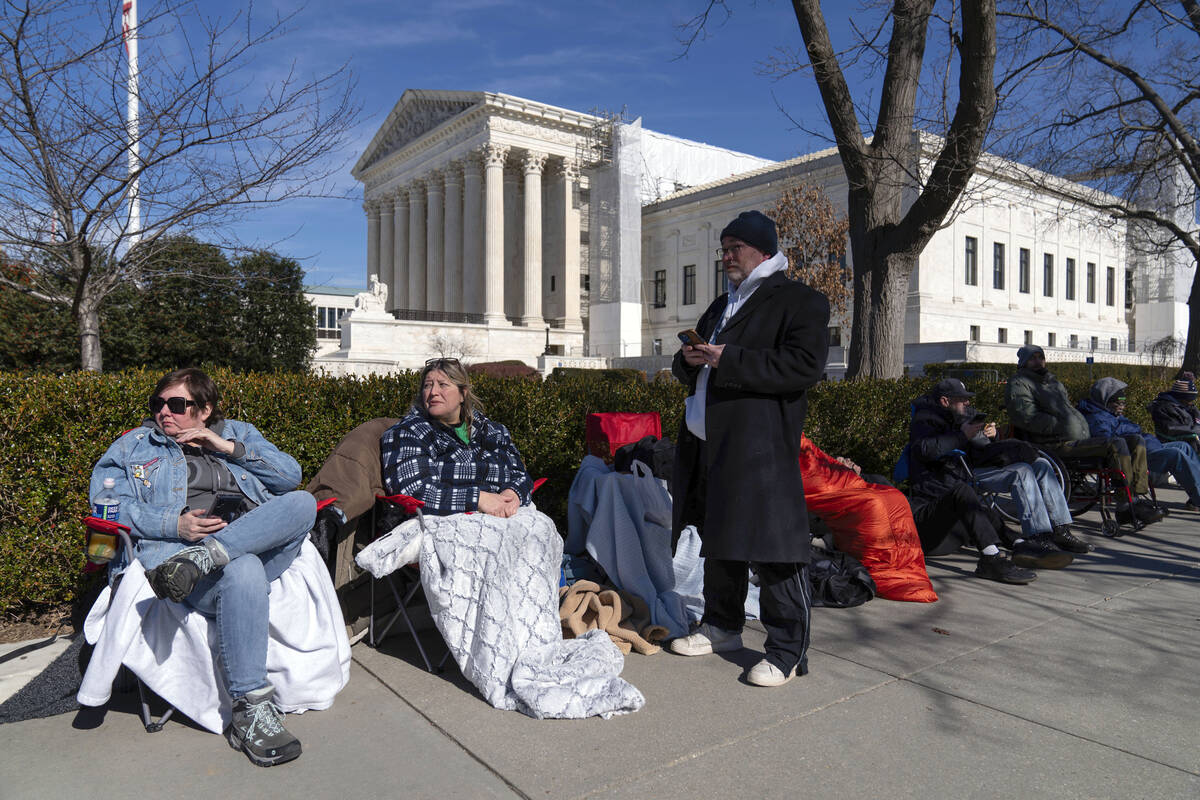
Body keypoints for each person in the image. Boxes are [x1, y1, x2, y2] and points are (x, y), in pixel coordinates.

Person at [90, 368, 315, 767]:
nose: (164, 413)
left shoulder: (239, 433)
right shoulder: (134, 448)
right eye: (157, 404)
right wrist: (174, 524)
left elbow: (289, 477)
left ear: (205, 409)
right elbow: (108, 507)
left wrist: (226, 447)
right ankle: (250, 710)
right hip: (181, 565)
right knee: (242, 569)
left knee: (303, 503)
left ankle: (213, 552)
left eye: (177, 405)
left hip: (250, 545)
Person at [669, 209, 829, 688]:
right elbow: (691, 368)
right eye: (724, 248)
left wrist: (727, 359)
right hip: (709, 443)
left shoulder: (800, 300)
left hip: (760, 446)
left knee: (775, 547)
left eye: (734, 247)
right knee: (720, 540)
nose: (726, 256)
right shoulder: (722, 305)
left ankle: (787, 649)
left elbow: (803, 366)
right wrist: (689, 358)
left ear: (761, 249)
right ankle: (722, 625)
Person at [908, 379, 1062, 585]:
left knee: (982, 510)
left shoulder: (957, 418)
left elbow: (977, 451)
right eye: (962, 400)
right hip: (932, 525)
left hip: (953, 526)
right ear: (945, 401)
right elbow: (925, 450)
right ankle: (990, 559)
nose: (967, 404)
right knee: (964, 494)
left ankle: (1019, 544)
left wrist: (990, 434)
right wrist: (962, 435)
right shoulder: (924, 419)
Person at [1005, 344, 1161, 526]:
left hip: (1075, 439)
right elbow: (1025, 416)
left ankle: (1136, 496)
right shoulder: (1018, 383)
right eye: (1033, 358)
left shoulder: (1052, 382)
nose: (1038, 361)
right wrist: (1062, 425)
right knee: (1115, 445)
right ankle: (1125, 504)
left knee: (1136, 440)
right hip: (1053, 443)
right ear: (1024, 362)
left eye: (1041, 357)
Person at [380, 358, 533, 516]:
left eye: (443, 384)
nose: (433, 392)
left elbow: (520, 474)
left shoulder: (493, 431)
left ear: (463, 394)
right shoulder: (409, 432)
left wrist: (512, 493)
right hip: (443, 521)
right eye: (427, 385)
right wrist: (478, 499)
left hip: (507, 511)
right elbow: (414, 492)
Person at [1079, 377, 1200, 513]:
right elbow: (1107, 442)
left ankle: (1196, 496)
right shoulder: (1097, 418)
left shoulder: (1111, 414)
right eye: (1120, 402)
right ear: (1107, 401)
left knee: (1184, 447)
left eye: (1124, 402)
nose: (1123, 406)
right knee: (1177, 455)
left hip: (1151, 446)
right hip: (1138, 454)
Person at [1148, 371, 1200, 447]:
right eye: (1189, 400)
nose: (1191, 403)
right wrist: (1196, 429)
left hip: (1191, 439)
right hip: (1180, 443)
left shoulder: (1187, 407)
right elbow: (1173, 429)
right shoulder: (1165, 407)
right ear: (1181, 398)